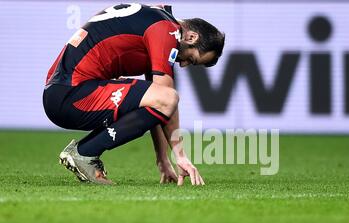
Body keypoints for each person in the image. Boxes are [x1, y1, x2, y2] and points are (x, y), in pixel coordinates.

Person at [42, 3, 225, 185]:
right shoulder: (166, 30)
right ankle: (85, 152)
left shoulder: (158, 20)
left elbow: (155, 101)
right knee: (169, 97)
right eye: (191, 59)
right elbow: (166, 98)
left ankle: (85, 152)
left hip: (61, 92)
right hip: (72, 96)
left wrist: (162, 159)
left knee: (161, 97)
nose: (184, 65)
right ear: (192, 37)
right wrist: (180, 156)